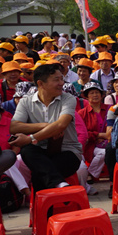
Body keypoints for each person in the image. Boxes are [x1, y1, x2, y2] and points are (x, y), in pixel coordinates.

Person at [9, 63, 83, 191]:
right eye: (56, 80)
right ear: (41, 83)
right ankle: (60, 185)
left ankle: (54, 193)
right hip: (39, 152)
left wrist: (31, 138)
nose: (61, 83)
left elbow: (61, 125)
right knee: (27, 151)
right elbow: (14, 127)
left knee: (39, 176)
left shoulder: (68, 99)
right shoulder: (26, 102)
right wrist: (46, 126)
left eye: (62, 79)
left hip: (67, 151)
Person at [78, 82, 110, 183]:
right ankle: (91, 174)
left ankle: (90, 173)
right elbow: (81, 132)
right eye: (91, 93)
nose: (95, 95)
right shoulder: (82, 113)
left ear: (102, 95)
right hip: (91, 145)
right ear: (87, 96)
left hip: (109, 142)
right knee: (103, 153)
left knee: (108, 151)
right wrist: (98, 135)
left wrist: (107, 136)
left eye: (97, 92)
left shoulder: (110, 109)